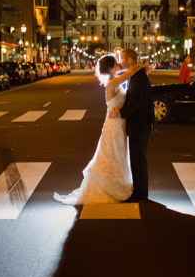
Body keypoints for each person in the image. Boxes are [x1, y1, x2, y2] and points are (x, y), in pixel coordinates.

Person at [53, 54, 147, 205]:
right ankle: (113, 187)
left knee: (118, 156)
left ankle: (118, 184)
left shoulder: (114, 81)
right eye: (117, 64)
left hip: (119, 124)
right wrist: (140, 65)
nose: (119, 66)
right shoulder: (112, 83)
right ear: (110, 68)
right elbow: (131, 72)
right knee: (113, 155)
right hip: (114, 126)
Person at [110, 48, 156, 203]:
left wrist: (120, 113)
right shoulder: (135, 75)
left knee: (138, 160)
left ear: (129, 60)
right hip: (139, 124)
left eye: (121, 59)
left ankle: (140, 194)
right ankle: (139, 191)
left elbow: (135, 101)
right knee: (137, 159)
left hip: (140, 124)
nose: (119, 61)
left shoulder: (138, 77)